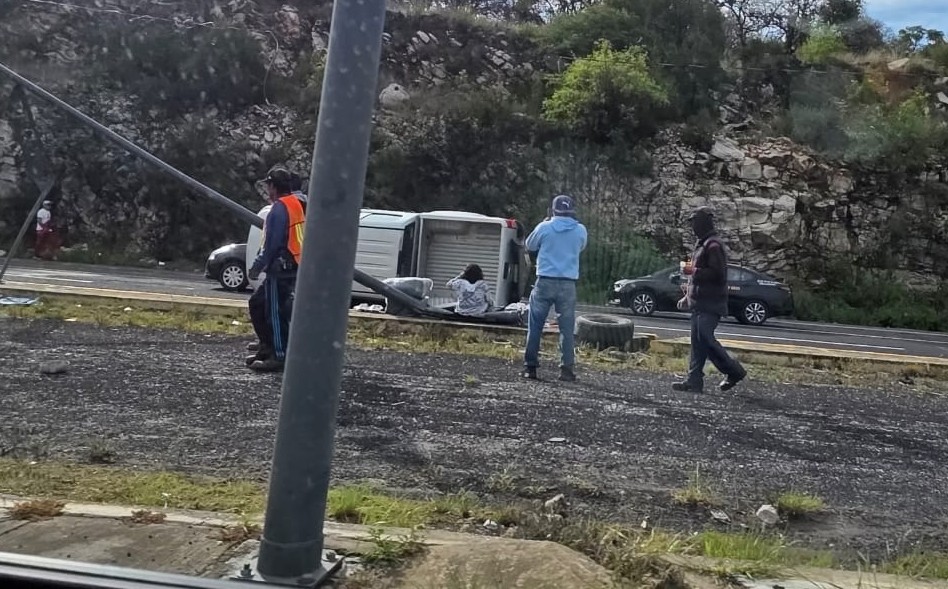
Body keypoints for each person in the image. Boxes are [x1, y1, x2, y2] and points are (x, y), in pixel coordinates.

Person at [673, 206, 747, 393]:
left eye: (694, 223)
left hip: (711, 302)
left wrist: (693, 271)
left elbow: (718, 274)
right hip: (700, 303)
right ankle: (694, 381)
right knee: (697, 341)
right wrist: (687, 296)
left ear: (703, 223)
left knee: (704, 338)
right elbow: (695, 276)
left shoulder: (713, 245)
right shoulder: (702, 244)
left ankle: (734, 371)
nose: (692, 227)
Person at [245, 166, 307, 373]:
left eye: (268, 186)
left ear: (273, 186)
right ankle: (267, 348)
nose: (267, 190)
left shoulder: (279, 209)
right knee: (257, 303)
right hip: (291, 265)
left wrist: (256, 267)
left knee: (274, 314)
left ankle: (279, 356)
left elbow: (272, 244)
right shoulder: (294, 204)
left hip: (280, 269)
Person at [522, 194, 587, 382]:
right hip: (568, 283)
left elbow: (529, 245)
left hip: (545, 281)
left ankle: (530, 368)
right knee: (567, 329)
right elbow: (581, 247)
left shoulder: (545, 227)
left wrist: (545, 223)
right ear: (572, 210)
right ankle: (566, 369)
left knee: (535, 326)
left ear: (552, 210)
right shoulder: (580, 230)